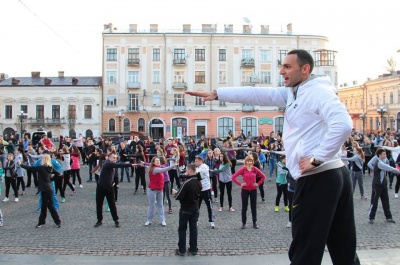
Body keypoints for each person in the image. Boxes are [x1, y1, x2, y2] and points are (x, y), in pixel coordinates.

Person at [186, 49, 360, 265]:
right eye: (282, 66)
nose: (281, 71)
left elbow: (343, 124)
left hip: (319, 177)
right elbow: (257, 94)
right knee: (343, 249)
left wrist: (317, 158)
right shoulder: (294, 92)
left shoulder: (318, 92)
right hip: (335, 175)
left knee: (305, 252)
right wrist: (218, 93)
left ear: (305, 69)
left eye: (288, 67)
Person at [21, 154, 61, 228]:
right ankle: (41, 222)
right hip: (47, 188)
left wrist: (21, 165)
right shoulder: (51, 168)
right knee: (44, 206)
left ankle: (57, 221)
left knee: (50, 206)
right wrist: (51, 179)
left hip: (45, 189)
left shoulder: (41, 168)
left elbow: (31, 168)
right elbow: (58, 174)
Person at [94, 153, 133, 228]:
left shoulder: (113, 165)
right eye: (113, 157)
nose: (115, 159)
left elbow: (114, 176)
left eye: (116, 158)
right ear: (109, 158)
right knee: (99, 204)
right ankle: (99, 220)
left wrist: (114, 182)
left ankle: (116, 220)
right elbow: (119, 165)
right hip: (101, 187)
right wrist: (130, 164)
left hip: (109, 187)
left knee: (112, 204)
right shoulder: (107, 163)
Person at [172, 164, 202, 256]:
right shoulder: (198, 182)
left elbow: (178, 196)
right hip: (195, 208)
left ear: (190, 171)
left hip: (185, 209)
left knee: (182, 229)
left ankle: (182, 250)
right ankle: (193, 249)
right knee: (193, 229)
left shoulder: (187, 183)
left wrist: (174, 193)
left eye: (186, 170)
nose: (185, 172)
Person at [232, 155, 265, 229]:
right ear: (246, 162)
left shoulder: (255, 169)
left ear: (252, 162)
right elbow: (233, 177)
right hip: (245, 190)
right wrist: (240, 184)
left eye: (250, 161)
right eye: (248, 161)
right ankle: (243, 223)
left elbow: (263, 177)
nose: (249, 162)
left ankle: (254, 222)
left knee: (253, 207)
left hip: (253, 190)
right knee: (244, 207)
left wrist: (258, 184)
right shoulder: (243, 169)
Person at [367, 148, 399, 224]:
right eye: (384, 154)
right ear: (379, 155)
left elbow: (388, 165)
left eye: (385, 154)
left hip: (383, 183)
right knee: (374, 201)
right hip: (377, 184)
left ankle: (389, 217)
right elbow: (388, 168)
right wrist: (398, 171)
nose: (385, 155)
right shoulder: (379, 163)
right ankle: (371, 217)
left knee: (386, 201)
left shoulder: (385, 160)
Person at [144, 157, 175, 227]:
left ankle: (162, 220)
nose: (158, 162)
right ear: (154, 163)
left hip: (160, 189)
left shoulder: (159, 167)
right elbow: (164, 169)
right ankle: (149, 220)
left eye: (158, 161)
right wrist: (173, 165)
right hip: (152, 189)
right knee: (152, 206)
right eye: (156, 161)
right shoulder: (155, 169)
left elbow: (165, 166)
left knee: (160, 205)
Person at [194, 155, 215, 229]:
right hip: (199, 190)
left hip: (206, 190)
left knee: (209, 206)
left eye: (196, 161)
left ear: (200, 161)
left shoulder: (204, 166)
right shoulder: (197, 167)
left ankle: (212, 221)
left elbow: (198, 174)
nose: (195, 162)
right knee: (197, 206)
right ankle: (195, 221)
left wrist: (191, 171)